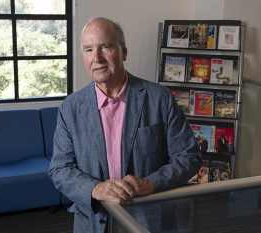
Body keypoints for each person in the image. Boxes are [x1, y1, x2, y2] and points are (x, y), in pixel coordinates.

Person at [48, 17, 202, 233]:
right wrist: (96, 188)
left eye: (105, 47)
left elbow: (189, 158)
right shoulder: (70, 108)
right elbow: (60, 169)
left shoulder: (160, 98)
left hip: (150, 219)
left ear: (124, 51)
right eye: (88, 50)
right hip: (93, 220)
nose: (97, 58)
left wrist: (151, 183)